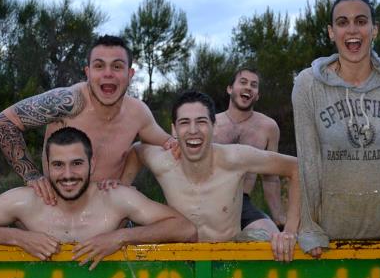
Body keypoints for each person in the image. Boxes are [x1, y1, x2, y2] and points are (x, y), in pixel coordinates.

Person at [292, 0, 380, 261]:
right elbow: (308, 161)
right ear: (331, 32)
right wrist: (310, 229)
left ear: (374, 30)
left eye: (361, 21)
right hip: (329, 240)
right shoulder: (308, 85)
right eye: (342, 22)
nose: (352, 30)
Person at [0, 127, 196, 269]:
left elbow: (185, 229)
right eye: (58, 165)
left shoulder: (116, 198)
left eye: (76, 163)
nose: (67, 175)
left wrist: (120, 238)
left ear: (91, 164)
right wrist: (19, 238)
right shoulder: (26, 201)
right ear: (47, 167)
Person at [0, 35, 175, 205]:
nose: (108, 73)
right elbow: (5, 121)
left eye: (117, 66)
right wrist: (31, 176)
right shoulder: (68, 102)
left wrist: (124, 183)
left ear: (130, 74)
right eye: (99, 66)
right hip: (56, 206)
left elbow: (169, 143)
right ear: (88, 72)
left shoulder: (137, 112)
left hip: (106, 211)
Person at [122, 91, 300, 262]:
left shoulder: (235, 159)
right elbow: (137, 151)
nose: (193, 130)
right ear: (174, 130)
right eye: (184, 122)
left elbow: (296, 168)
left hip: (229, 259)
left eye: (201, 122)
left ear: (214, 127)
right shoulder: (163, 163)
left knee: (264, 239)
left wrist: (289, 231)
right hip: (184, 260)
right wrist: (124, 185)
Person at [214, 68, 298, 235]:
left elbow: (270, 178)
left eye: (253, 85)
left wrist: (278, 217)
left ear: (257, 95)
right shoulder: (211, 124)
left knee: (270, 236)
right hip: (208, 198)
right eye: (243, 82)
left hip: (242, 203)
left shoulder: (268, 127)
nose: (248, 87)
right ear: (230, 89)